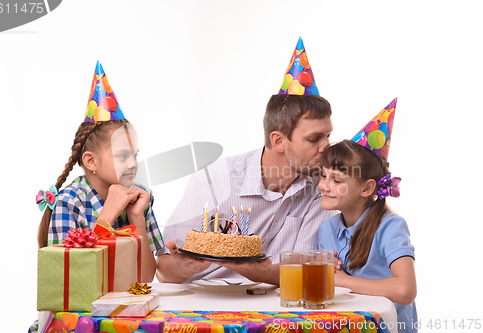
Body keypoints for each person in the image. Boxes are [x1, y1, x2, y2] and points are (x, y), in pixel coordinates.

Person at [156, 93, 335, 285]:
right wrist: (183, 267)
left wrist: (261, 273)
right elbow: (164, 272)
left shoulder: (322, 187)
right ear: (278, 141)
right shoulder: (213, 181)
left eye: (327, 136)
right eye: (314, 139)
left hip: (276, 303)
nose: (326, 146)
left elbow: (304, 272)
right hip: (204, 300)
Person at [36, 62, 164, 283]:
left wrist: (136, 218)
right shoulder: (70, 203)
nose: (134, 164)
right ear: (91, 161)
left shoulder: (141, 199)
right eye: (123, 156)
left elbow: (145, 278)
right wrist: (106, 216)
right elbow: (66, 279)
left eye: (136, 155)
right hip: (77, 315)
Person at [317, 136, 417, 331]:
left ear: (367, 188)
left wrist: (343, 281)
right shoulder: (326, 229)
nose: (324, 185)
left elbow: (406, 290)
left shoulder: (391, 227)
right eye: (323, 175)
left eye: (336, 179)